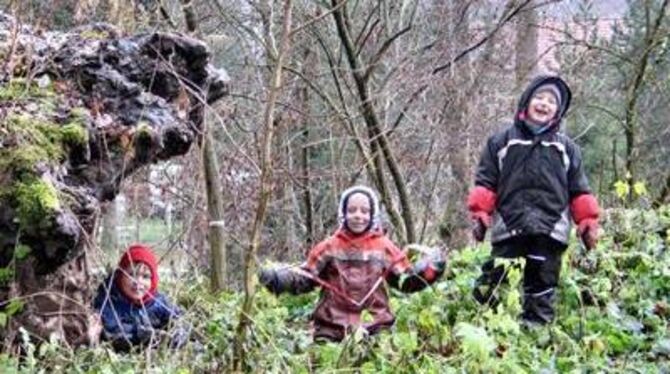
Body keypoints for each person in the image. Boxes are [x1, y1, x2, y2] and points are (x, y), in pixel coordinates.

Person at [467, 75, 600, 325]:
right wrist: (480, 214)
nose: (544, 104)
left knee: (541, 285)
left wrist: (588, 222)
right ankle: (486, 326)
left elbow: (579, 189)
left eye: (551, 101)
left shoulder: (566, 148)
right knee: (495, 279)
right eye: (539, 97)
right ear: (526, 102)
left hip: (550, 229)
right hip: (509, 225)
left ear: (558, 111)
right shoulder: (502, 142)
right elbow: (486, 181)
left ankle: (536, 333)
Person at [259, 185, 445, 342]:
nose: (358, 216)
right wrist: (277, 279)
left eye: (364, 211)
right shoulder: (329, 246)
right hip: (331, 329)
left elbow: (405, 281)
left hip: (375, 328)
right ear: (343, 213)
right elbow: (306, 278)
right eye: (352, 210)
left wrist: (429, 271)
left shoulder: (384, 247)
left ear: (373, 215)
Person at [93, 244, 187, 351]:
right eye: (131, 274)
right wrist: (142, 335)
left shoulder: (158, 301)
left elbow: (181, 318)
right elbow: (113, 331)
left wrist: (179, 332)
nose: (138, 282)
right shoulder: (109, 301)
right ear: (120, 276)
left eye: (145, 276)